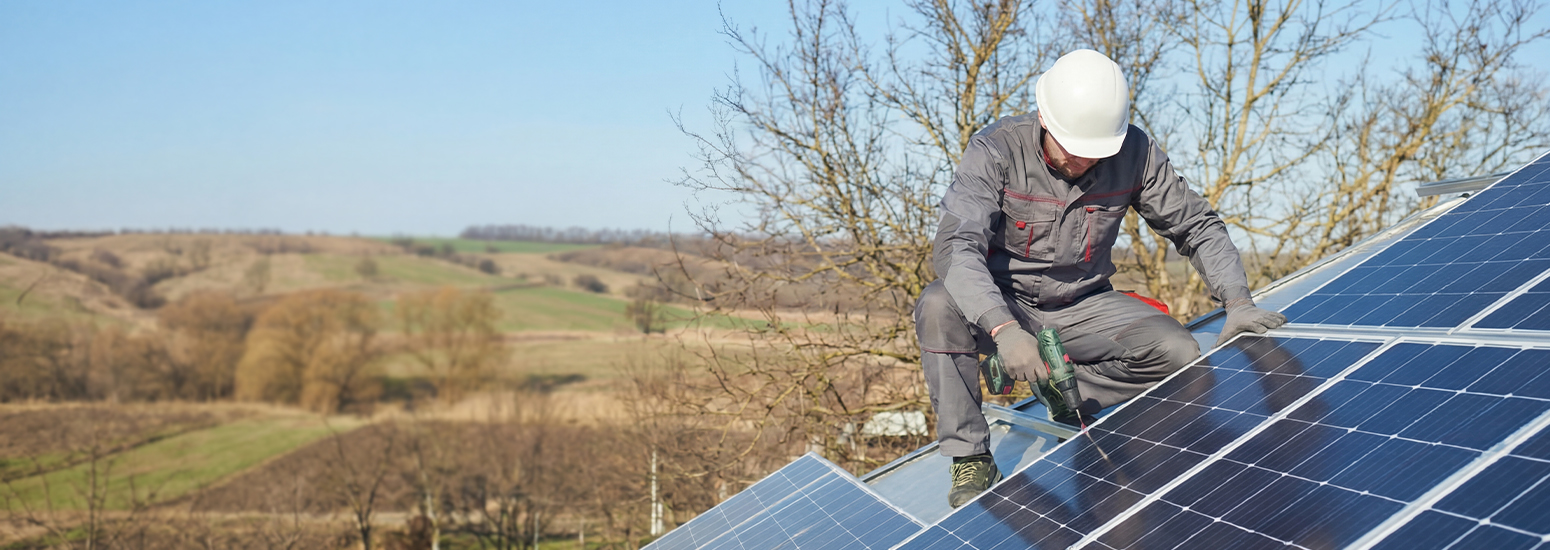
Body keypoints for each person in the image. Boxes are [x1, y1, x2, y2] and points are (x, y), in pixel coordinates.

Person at [914, 49, 1287, 508]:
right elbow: (956, 247)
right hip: (1001, 301)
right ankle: (971, 455)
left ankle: (1068, 392)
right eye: (1076, 149)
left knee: (1179, 352)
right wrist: (1003, 328)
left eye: (1097, 152)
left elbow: (1196, 225)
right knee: (937, 305)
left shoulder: (1135, 152)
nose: (1085, 161)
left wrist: (1238, 301)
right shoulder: (996, 150)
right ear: (1046, 121)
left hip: (1084, 304)